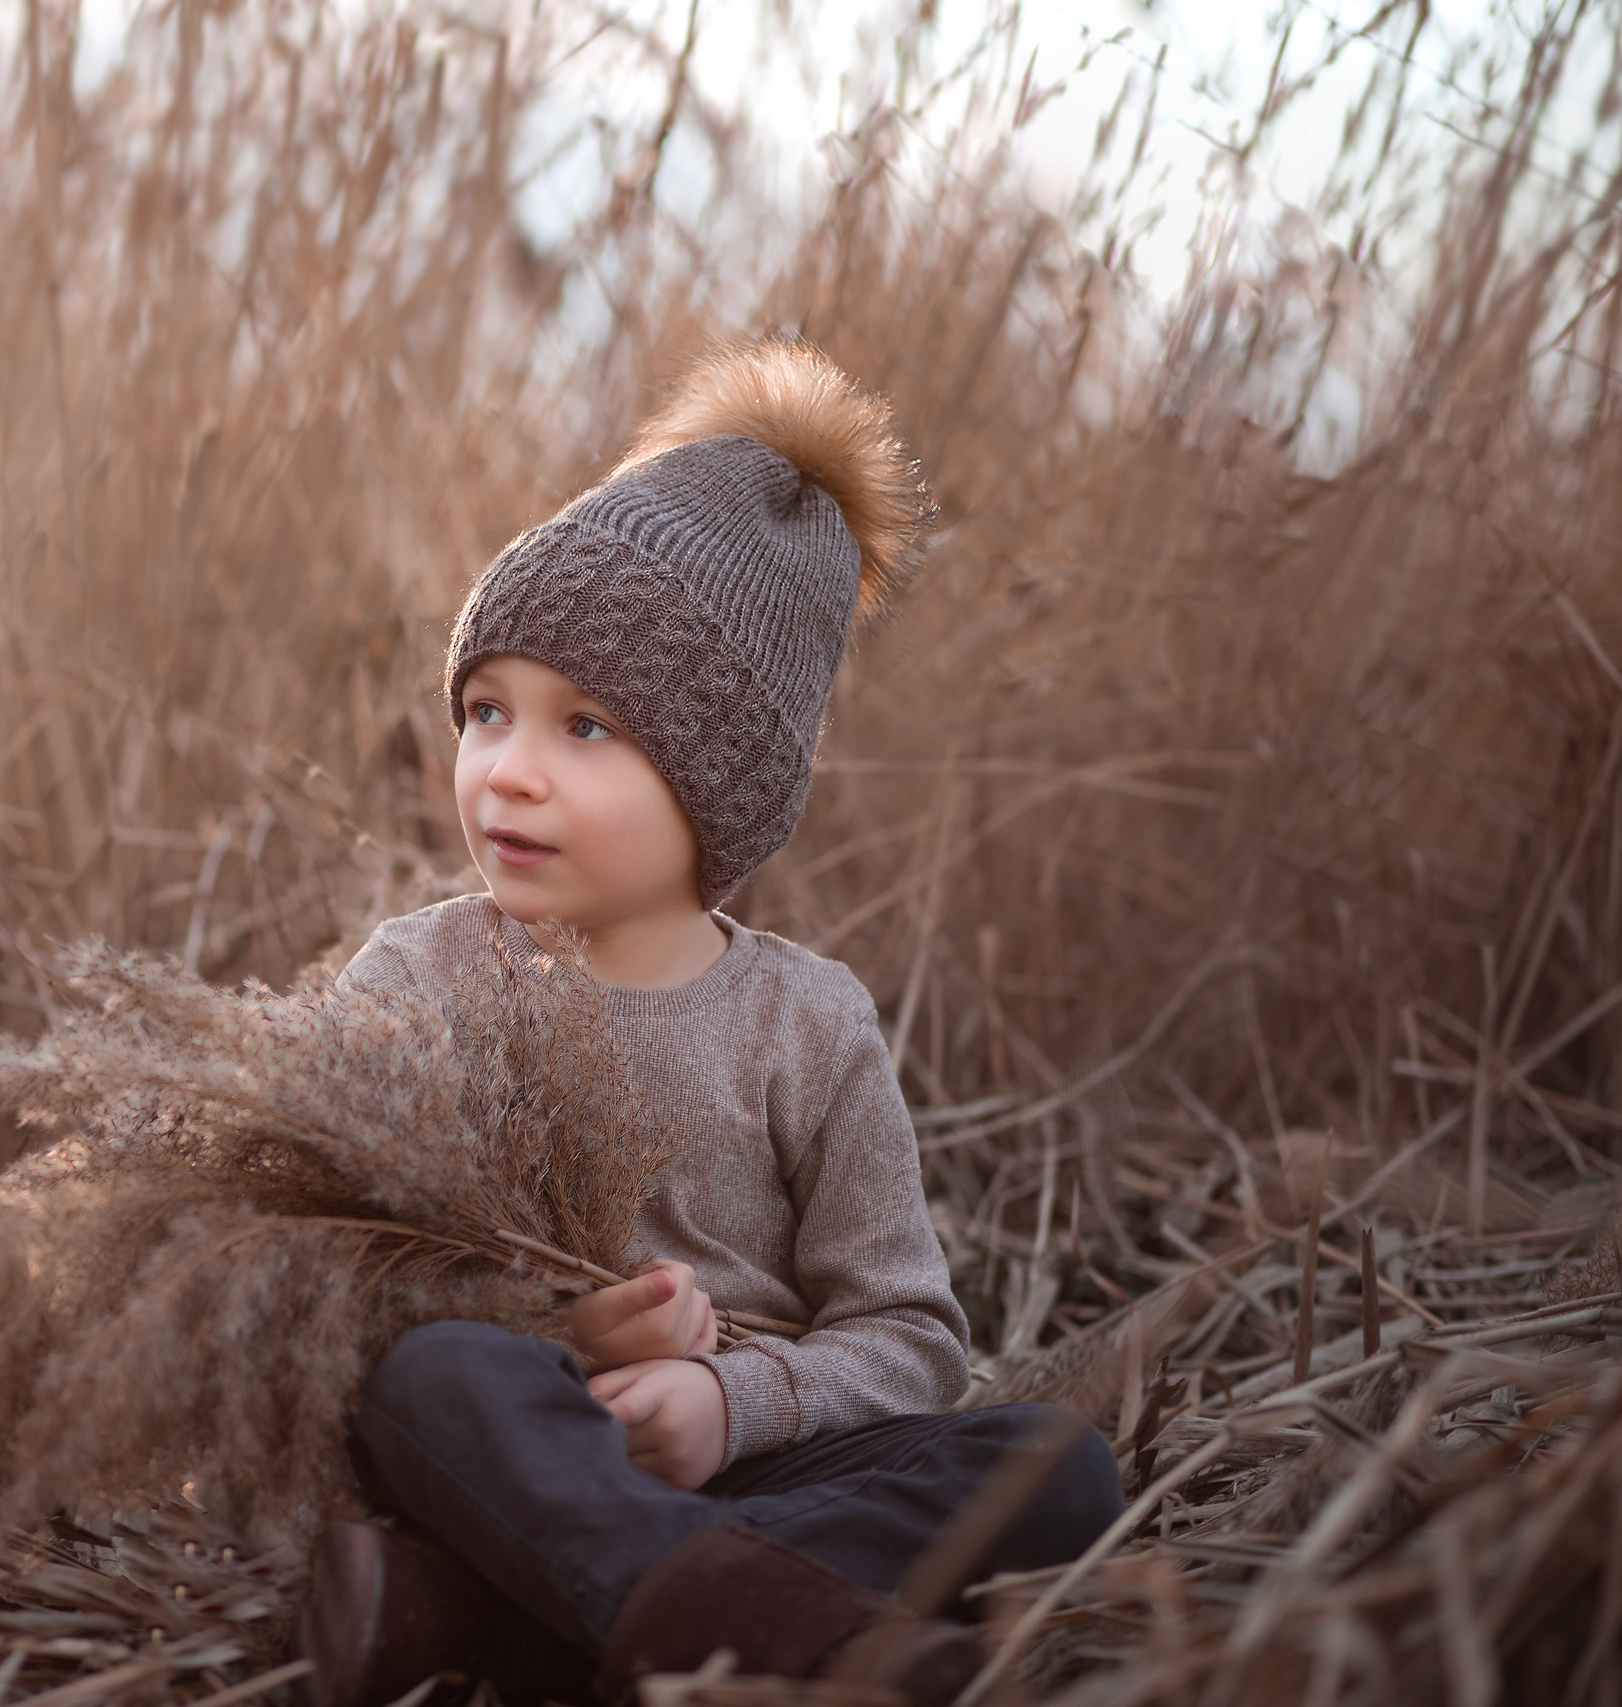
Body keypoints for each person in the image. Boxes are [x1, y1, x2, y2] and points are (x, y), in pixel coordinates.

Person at [294, 342, 1125, 1707]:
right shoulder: (423, 980)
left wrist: (730, 1406)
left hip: (753, 1454)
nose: (510, 770)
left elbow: (910, 1342)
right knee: (437, 1377)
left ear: (719, 780)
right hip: (527, 1453)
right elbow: (326, 1274)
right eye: (489, 710)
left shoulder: (805, 1023)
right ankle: (774, 1632)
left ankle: (494, 1625)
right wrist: (561, 1338)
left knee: (1056, 1468)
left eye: (587, 729)